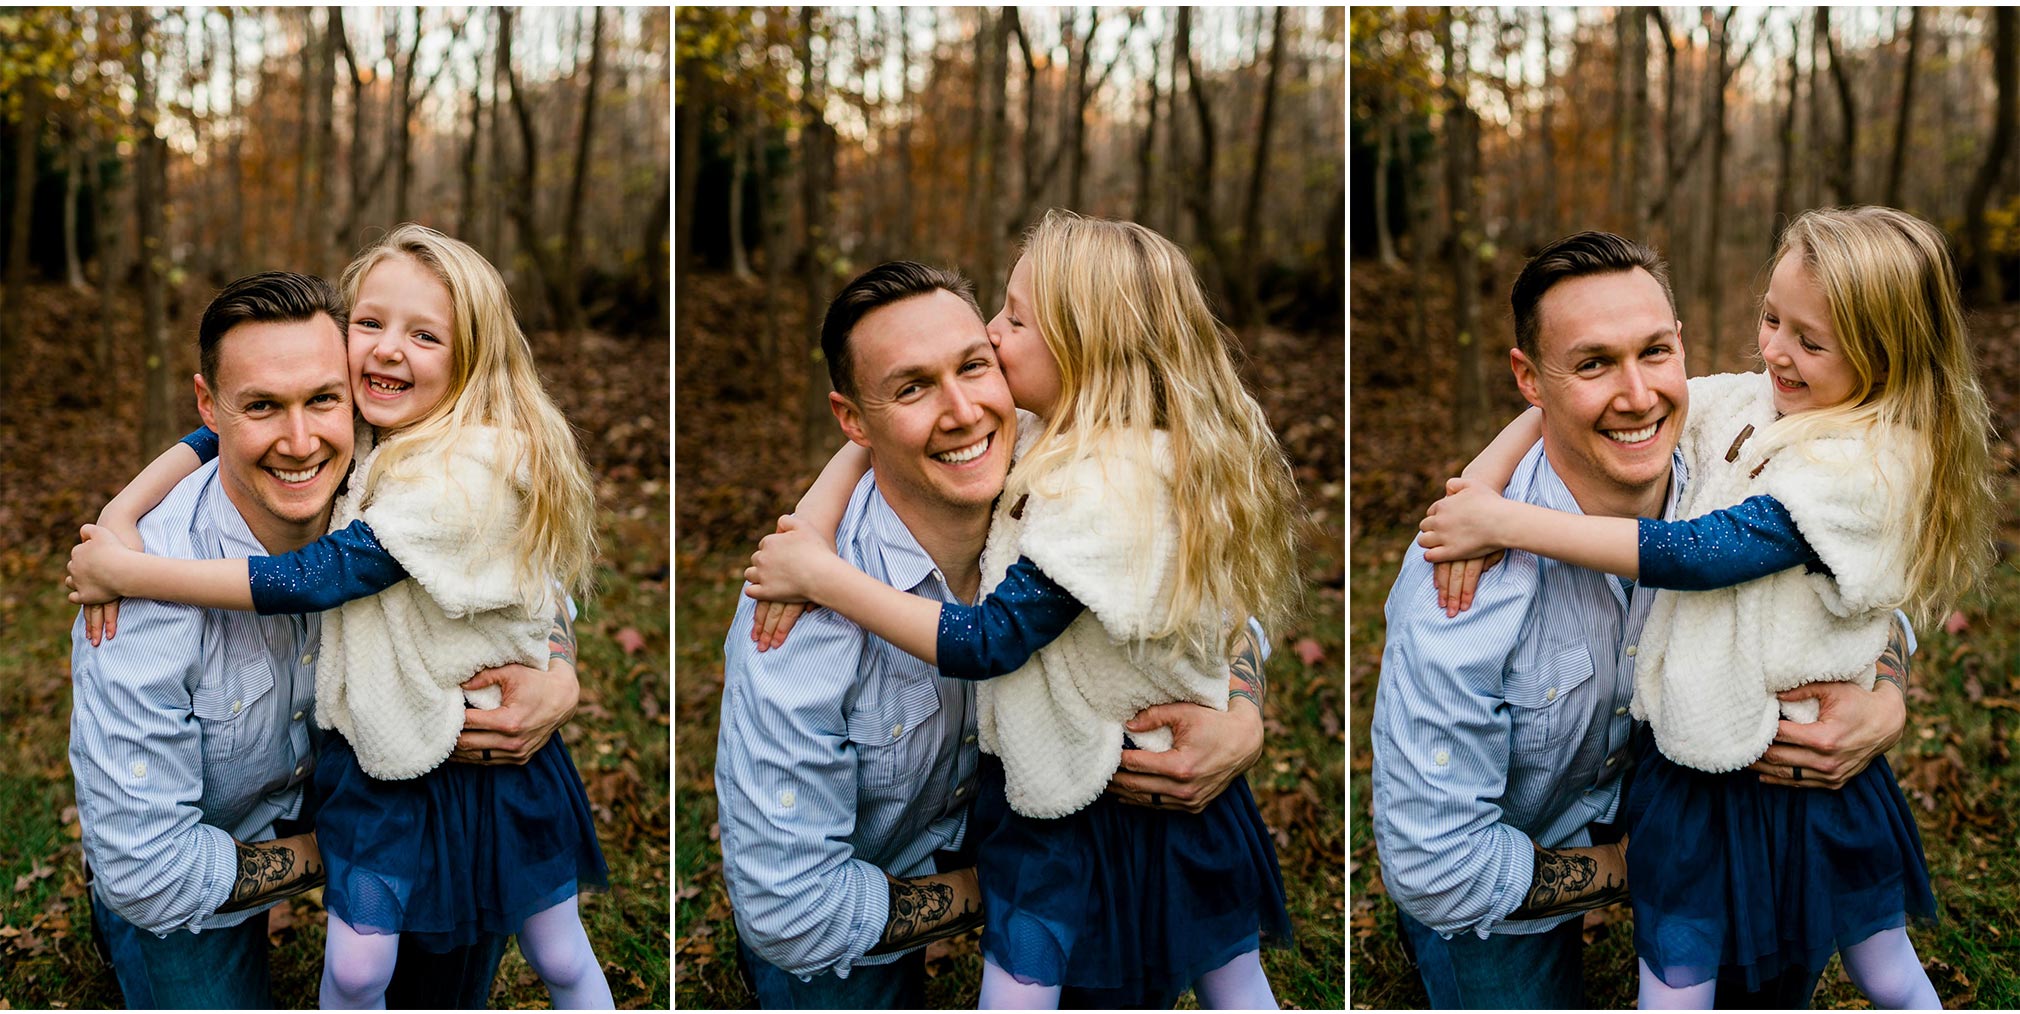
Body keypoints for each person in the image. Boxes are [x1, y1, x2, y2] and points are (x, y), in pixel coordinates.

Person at [1416, 208, 1992, 1009]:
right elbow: (1603, 399)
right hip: (1693, 767)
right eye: (1770, 318)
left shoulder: (1867, 465)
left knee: (1878, 963)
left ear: (1883, 354)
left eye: (1809, 341)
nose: (1774, 352)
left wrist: (1510, 523)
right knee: (1675, 977)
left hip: (1799, 773)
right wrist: (1479, 484)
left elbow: (1703, 556)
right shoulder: (1768, 402)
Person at [744, 212, 1300, 1009]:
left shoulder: (1105, 491)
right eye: (912, 386)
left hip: (1096, 799)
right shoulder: (1075, 435)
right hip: (1071, 806)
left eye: (1008, 322)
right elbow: (878, 429)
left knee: (1163, 978)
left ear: (1082, 349)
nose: (995, 340)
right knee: (1218, 972)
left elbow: (991, 640)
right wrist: (816, 529)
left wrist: (827, 577)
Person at [68, 227, 613, 1009]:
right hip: (209, 851)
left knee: (454, 984)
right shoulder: (139, 598)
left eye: (322, 398)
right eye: (261, 406)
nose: (300, 441)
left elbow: (525, 578)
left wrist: (559, 672)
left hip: (417, 790)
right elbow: (151, 874)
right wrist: (123, 530)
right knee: (170, 923)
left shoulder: (402, 457)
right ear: (213, 405)